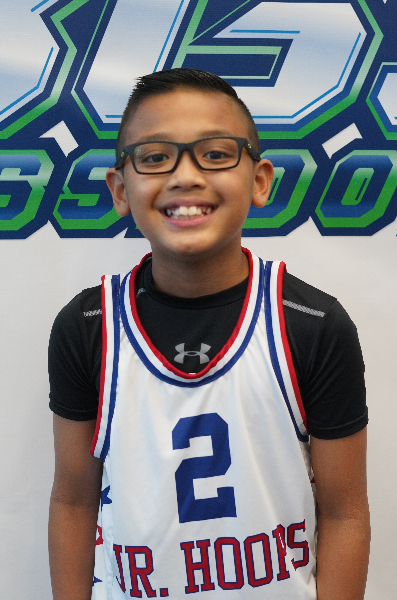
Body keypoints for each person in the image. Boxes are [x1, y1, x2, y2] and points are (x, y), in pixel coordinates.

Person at [48, 68, 369, 600]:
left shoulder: (312, 324)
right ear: (120, 189)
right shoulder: (87, 327)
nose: (185, 176)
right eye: (155, 157)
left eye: (215, 154)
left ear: (259, 180)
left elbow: (344, 513)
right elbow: (73, 502)